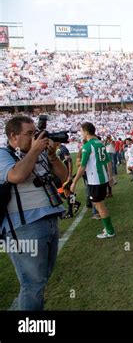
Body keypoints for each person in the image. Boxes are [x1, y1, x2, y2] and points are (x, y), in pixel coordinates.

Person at [0, 116, 68, 310]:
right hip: (23, 227)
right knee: (32, 283)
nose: (35, 137)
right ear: (13, 137)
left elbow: (63, 178)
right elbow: (17, 175)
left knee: (41, 279)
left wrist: (52, 156)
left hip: (49, 219)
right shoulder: (3, 154)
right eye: (29, 134)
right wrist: (36, 150)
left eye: (35, 133)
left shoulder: (39, 153)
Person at [70, 122, 116, 239]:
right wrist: (110, 177)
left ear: (86, 132)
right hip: (102, 178)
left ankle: (110, 231)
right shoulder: (99, 143)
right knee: (98, 203)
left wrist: (74, 182)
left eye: (81, 131)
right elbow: (108, 162)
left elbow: (82, 166)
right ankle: (108, 228)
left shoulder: (88, 146)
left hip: (95, 180)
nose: (81, 133)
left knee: (99, 205)